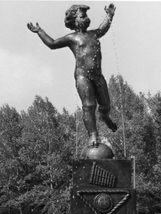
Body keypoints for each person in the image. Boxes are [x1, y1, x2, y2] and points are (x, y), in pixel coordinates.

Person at [27, 4, 117, 146]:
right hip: (83, 77)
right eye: (83, 16)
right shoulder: (72, 38)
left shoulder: (94, 34)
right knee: (88, 105)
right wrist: (40, 31)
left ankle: (105, 117)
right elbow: (52, 43)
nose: (86, 18)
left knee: (105, 104)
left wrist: (109, 15)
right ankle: (93, 135)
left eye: (86, 16)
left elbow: (103, 28)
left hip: (98, 76)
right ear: (74, 20)